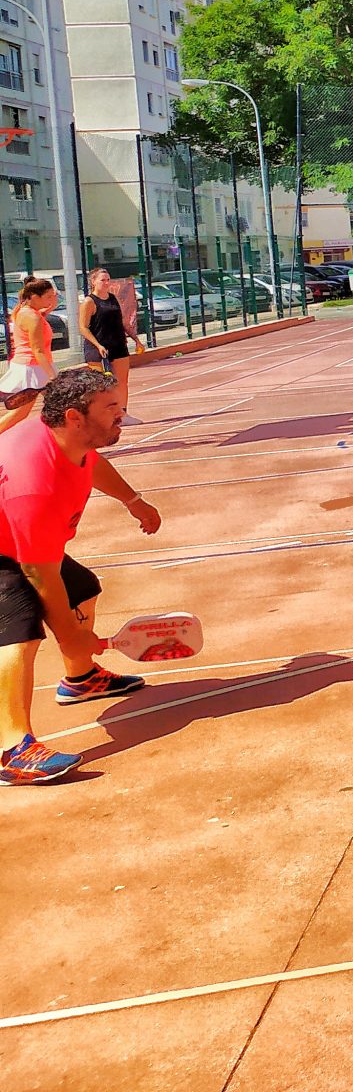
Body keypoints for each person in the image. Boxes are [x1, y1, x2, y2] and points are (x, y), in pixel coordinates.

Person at [0, 368, 162, 784]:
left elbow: (91, 462)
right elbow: (40, 572)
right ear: (74, 416)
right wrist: (72, 636)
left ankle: (82, 678)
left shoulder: (69, 439)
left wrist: (133, 499)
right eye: (111, 408)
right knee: (18, 631)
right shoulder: (32, 482)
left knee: (83, 589)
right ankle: (11, 750)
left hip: (18, 538)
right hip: (7, 548)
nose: (122, 414)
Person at [78, 268, 144, 416]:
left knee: (121, 382)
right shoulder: (89, 302)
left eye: (108, 280)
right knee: (101, 385)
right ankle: (102, 416)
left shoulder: (113, 298)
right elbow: (83, 328)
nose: (106, 283)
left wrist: (137, 340)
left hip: (118, 346)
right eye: (103, 280)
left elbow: (123, 323)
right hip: (97, 350)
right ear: (93, 282)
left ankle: (123, 414)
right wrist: (98, 345)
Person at [0, 279, 61, 437]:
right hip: (32, 368)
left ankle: (59, 441)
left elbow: (43, 313)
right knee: (20, 412)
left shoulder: (30, 311)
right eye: (47, 296)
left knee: (59, 406)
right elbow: (38, 350)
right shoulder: (31, 316)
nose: (50, 299)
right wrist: (53, 377)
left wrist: (52, 302)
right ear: (34, 297)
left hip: (36, 366)